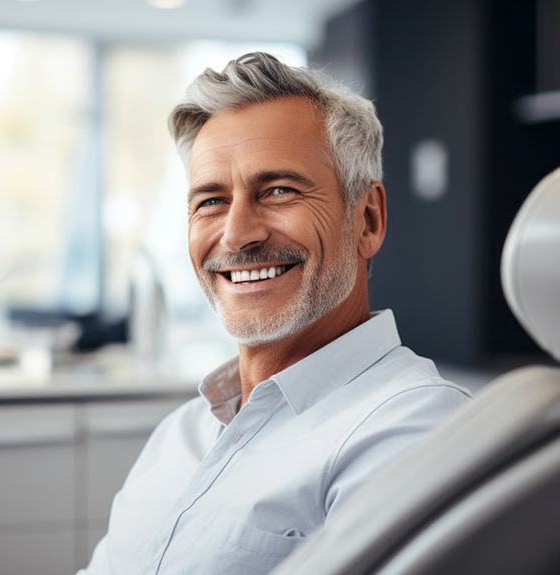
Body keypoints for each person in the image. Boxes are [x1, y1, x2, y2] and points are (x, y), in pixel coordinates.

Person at [80, 52, 471, 575]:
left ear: (368, 221)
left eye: (279, 190)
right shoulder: (182, 431)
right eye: (211, 201)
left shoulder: (413, 431)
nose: (237, 233)